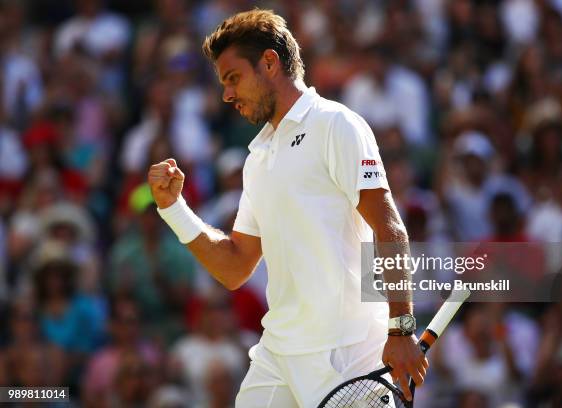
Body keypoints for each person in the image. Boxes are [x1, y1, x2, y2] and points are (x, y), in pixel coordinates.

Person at [148, 9, 427, 407]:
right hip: (278, 353)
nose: (227, 95)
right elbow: (235, 266)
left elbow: (390, 229)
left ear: (269, 63)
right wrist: (174, 208)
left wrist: (400, 329)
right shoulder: (257, 157)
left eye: (233, 78)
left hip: (345, 354)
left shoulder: (336, 124)